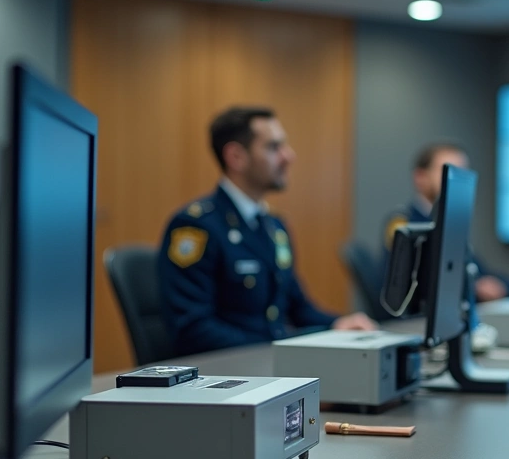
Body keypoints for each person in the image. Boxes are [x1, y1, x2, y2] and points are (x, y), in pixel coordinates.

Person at [158, 106, 376, 356]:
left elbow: (298, 307)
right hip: (227, 375)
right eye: (274, 147)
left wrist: (339, 325)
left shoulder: (274, 226)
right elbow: (193, 329)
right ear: (236, 157)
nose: (289, 156)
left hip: (267, 364)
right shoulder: (196, 227)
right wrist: (281, 345)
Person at [380, 142, 509, 311]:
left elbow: (479, 271)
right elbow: (418, 287)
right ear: (420, 178)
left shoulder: (449, 224)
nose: (458, 182)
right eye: (449, 172)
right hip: (412, 321)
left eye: (463, 173)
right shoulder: (404, 223)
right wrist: (475, 287)